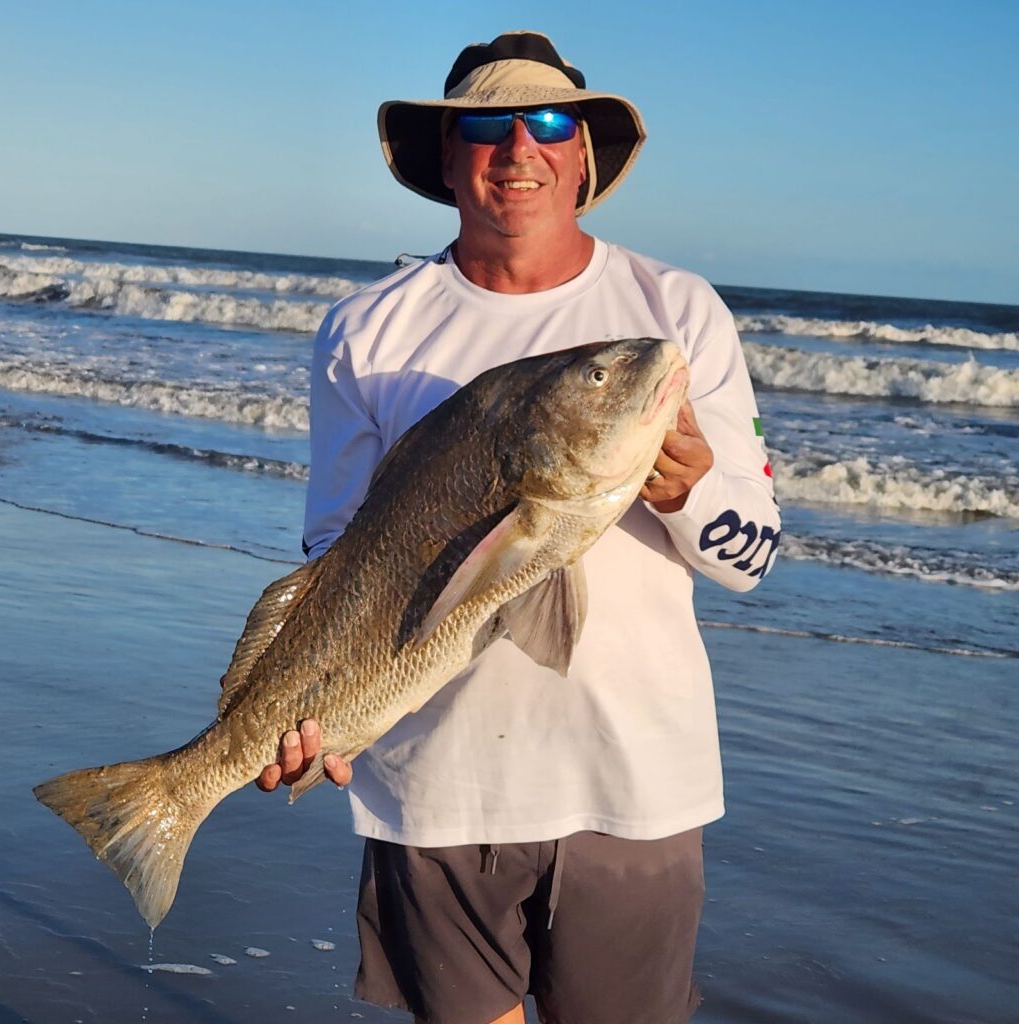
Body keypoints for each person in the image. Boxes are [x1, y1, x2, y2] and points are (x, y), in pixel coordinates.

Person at [256, 30, 781, 1024]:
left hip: (635, 783)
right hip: (432, 782)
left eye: (548, 122)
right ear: (444, 159)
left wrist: (685, 493)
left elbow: (749, 558)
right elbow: (333, 556)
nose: (518, 147)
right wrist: (306, 713)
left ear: (583, 153)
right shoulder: (367, 329)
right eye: (486, 127)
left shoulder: (672, 318)